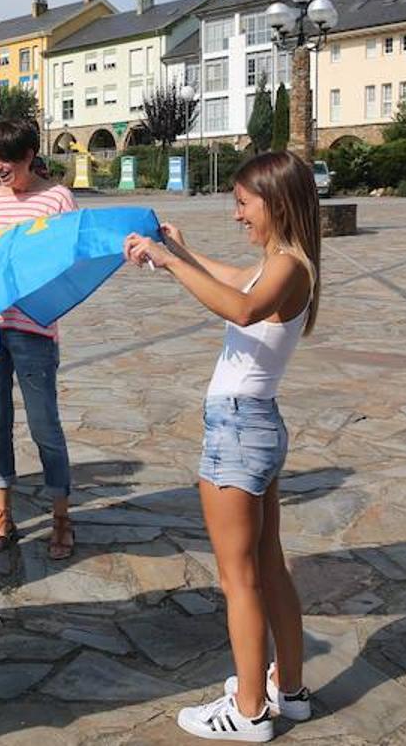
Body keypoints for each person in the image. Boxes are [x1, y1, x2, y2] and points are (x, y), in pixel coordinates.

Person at [124, 151, 320, 742]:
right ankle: (289, 690)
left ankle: (251, 711)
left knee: (240, 579)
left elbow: (239, 305)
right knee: (267, 565)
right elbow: (236, 282)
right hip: (255, 425)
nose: (237, 215)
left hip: (238, 430)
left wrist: (164, 259)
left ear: (276, 201)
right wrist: (180, 253)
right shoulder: (280, 263)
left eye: (243, 203)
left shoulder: (288, 267)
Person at [0, 118, 79, 560]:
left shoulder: (57, 198)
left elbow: (74, 259)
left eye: (6, 158)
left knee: (44, 427)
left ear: (30, 155)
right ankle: (3, 516)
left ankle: (61, 516)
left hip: (34, 329)